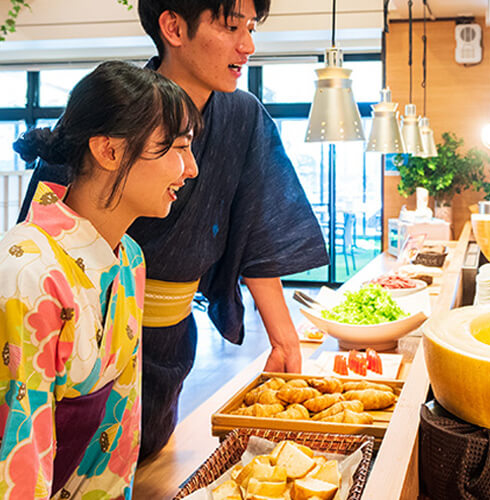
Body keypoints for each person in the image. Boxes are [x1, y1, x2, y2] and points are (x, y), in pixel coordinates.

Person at [17, 0, 329, 460]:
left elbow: (259, 233)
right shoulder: (114, 107)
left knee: (142, 463)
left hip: (172, 338)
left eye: (251, 26)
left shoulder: (242, 117)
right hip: (82, 336)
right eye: (230, 26)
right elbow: (43, 241)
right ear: (173, 27)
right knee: (58, 458)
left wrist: (285, 340)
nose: (247, 45)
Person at [0, 60, 200, 499]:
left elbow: (118, 431)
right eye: (175, 148)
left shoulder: (128, 259)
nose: (190, 169)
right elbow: (18, 455)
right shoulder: (28, 271)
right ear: (108, 151)